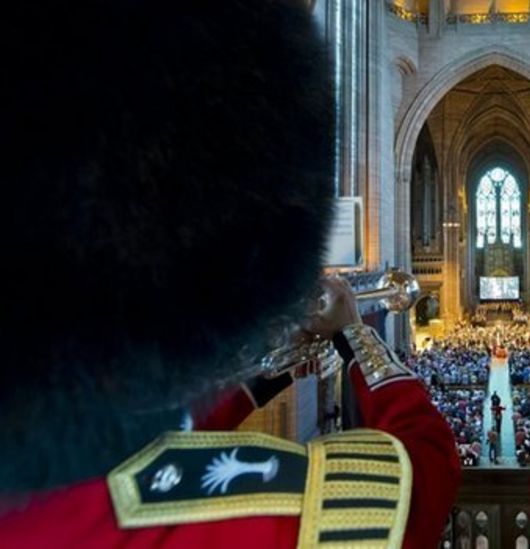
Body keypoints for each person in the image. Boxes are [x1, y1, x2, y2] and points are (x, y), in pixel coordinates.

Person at [0, 2, 460, 547]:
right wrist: (353, 332)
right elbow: (426, 464)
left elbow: (170, 443)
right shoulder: (283, 519)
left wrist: (265, 371)